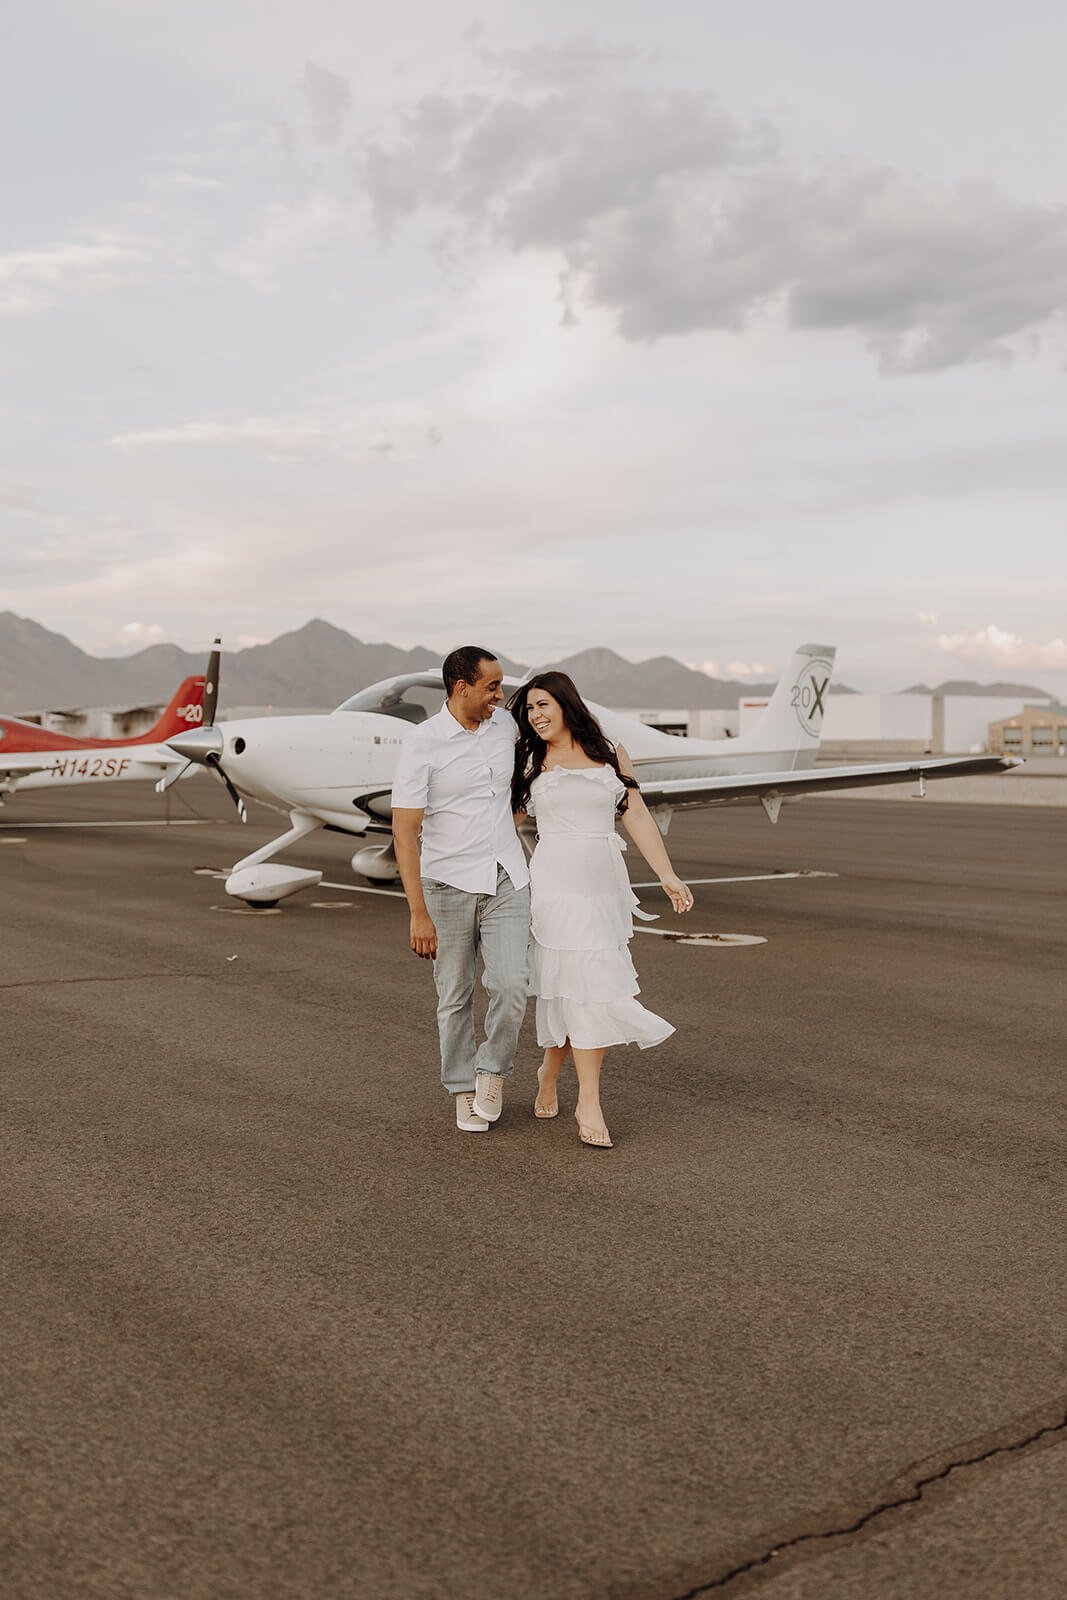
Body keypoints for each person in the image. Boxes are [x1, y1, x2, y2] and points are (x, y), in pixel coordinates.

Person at [509, 672, 692, 1149]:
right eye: (530, 709)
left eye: (544, 704)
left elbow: (637, 816)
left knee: (586, 988)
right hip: (553, 888)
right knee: (573, 989)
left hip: (603, 889)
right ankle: (575, 1090)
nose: (537, 715)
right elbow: (502, 824)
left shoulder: (611, 754)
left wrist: (666, 875)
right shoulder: (529, 759)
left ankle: (564, 1080)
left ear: (567, 704)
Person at [392, 647, 530, 1133]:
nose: (501, 695)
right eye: (492, 686)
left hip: (507, 874)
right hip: (445, 883)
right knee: (455, 994)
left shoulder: (507, 728)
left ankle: (491, 1069)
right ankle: (461, 1088)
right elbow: (404, 832)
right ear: (460, 687)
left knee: (513, 985)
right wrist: (417, 912)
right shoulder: (422, 743)